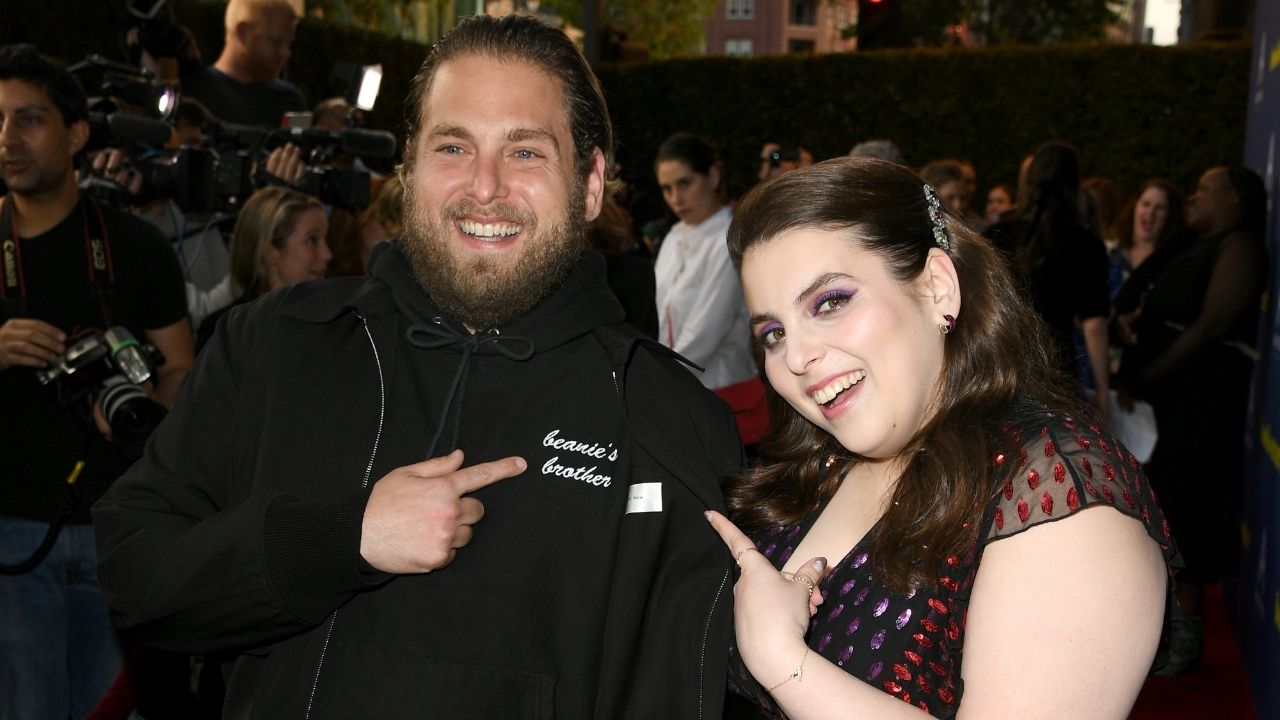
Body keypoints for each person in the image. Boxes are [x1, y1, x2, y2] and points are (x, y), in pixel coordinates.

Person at [93, 14, 741, 718]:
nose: (484, 186)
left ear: (590, 183)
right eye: (454, 146)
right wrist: (340, 542)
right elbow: (136, 575)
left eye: (525, 152)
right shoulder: (278, 344)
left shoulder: (667, 423)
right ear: (410, 167)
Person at [706, 157, 1177, 719]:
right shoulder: (816, 466)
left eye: (830, 302)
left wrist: (783, 661)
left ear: (936, 287)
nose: (797, 357)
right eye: (774, 333)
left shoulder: (1059, 496)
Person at [0, 45, 192, 719]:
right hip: (13, 534)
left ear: (76, 135)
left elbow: (180, 370)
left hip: (121, 528)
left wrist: (143, 411)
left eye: (29, 120)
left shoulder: (135, 247)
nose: (6, 140)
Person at [1114, 165, 1268, 674]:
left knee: (1189, 514)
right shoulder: (1194, 245)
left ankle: (1183, 637)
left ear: (1236, 202)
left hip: (1200, 407)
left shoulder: (1240, 246)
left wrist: (1151, 374)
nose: (1195, 197)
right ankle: (1159, 632)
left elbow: (1212, 325)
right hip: (1171, 407)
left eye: (1207, 190)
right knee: (1161, 511)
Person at [985, 141, 1111, 418]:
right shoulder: (1085, 244)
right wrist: (1102, 387)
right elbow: (1094, 323)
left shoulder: (999, 235)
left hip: (1002, 364)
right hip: (1058, 369)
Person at [653, 132, 756, 391]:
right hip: (680, 389)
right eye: (667, 188)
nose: (675, 197)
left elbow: (706, 334)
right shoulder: (673, 237)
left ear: (712, 176)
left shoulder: (728, 239)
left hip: (725, 390)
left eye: (685, 183)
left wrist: (654, 379)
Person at [194, 185, 330, 351]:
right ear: (271, 251)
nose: (327, 254)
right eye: (311, 240)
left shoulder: (335, 321)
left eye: (325, 240)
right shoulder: (224, 333)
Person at [181, 0, 306, 128]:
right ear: (243, 32)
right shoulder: (194, 94)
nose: (286, 53)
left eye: (289, 43)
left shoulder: (292, 102)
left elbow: (304, 140)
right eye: (276, 42)